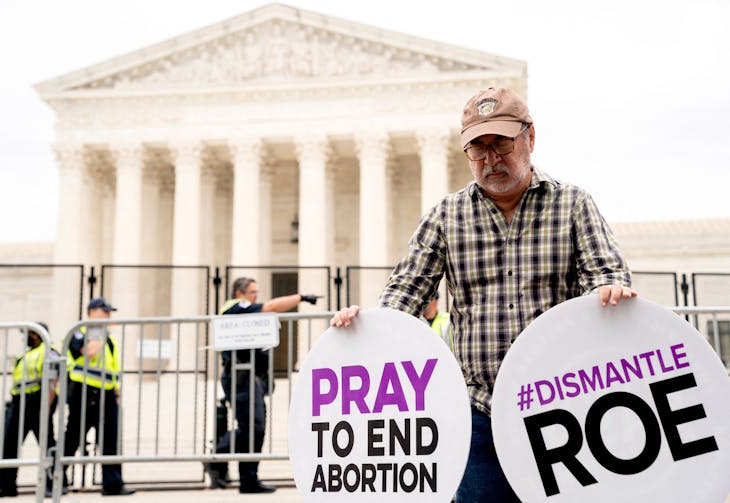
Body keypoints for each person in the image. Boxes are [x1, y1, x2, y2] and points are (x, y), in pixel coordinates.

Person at [330, 87, 636, 502]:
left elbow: (607, 273)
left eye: (501, 144)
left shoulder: (573, 205)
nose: (491, 159)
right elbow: (404, 293)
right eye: (478, 149)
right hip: (479, 415)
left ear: (530, 138)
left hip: (564, 412)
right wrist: (368, 328)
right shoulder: (445, 217)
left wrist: (610, 291)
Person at [209, 277, 318, 494]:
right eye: (252, 292)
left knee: (254, 429)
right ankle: (217, 457)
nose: (255, 297)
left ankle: (246, 477)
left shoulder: (243, 309)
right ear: (239, 293)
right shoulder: (236, 308)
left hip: (250, 378)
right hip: (241, 377)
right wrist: (301, 297)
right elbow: (271, 307)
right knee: (251, 428)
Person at [62, 297, 135, 496]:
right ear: (92, 311)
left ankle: (112, 484)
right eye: (105, 311)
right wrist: (98, 330)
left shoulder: (109, 338)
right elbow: (89, 352)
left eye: (109, 312)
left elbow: (112, 367)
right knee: (73, 439)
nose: (108, 316)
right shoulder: (79, 332)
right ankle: (56, 479)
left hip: (107, 394)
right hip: (83, 393)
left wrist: (117, 392)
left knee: (111, 439)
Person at [0, 323, 60, 498]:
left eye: (29, 334)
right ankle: (5, 486)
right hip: (19, 402)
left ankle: (53, 485)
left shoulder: (49, 352)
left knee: (47, 446)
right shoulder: (24, 355)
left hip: (38, 402)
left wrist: (47, 406)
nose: (25, 337)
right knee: (9, 445)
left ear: (38, 335)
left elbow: (53, 381)